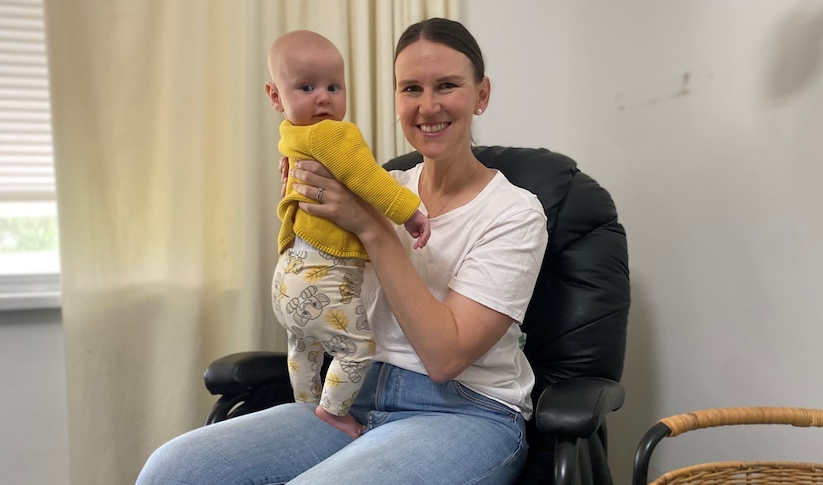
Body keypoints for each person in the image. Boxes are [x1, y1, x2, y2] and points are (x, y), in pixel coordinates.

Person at [137, 17, 548, 484]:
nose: (427, 105)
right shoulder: (379, 185)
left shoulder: (514, 214)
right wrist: (303, 205)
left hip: (465, 412)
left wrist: (370, 229)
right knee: (174, 470)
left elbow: (444, 358)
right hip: (354, 396)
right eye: (410, 88)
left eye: (447, 85)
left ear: (482, 94)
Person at [267, 30, 430, 439]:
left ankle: (307, 404)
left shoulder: (290, 135)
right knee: (355, 349)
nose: (323, 97)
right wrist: (409, 211)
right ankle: (335, 413)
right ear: (275, 95)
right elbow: (368, 177)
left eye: (333, 87)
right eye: (307, 87)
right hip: (325, 277)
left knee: (302, 344)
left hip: (287, 276)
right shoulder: (334, 134)